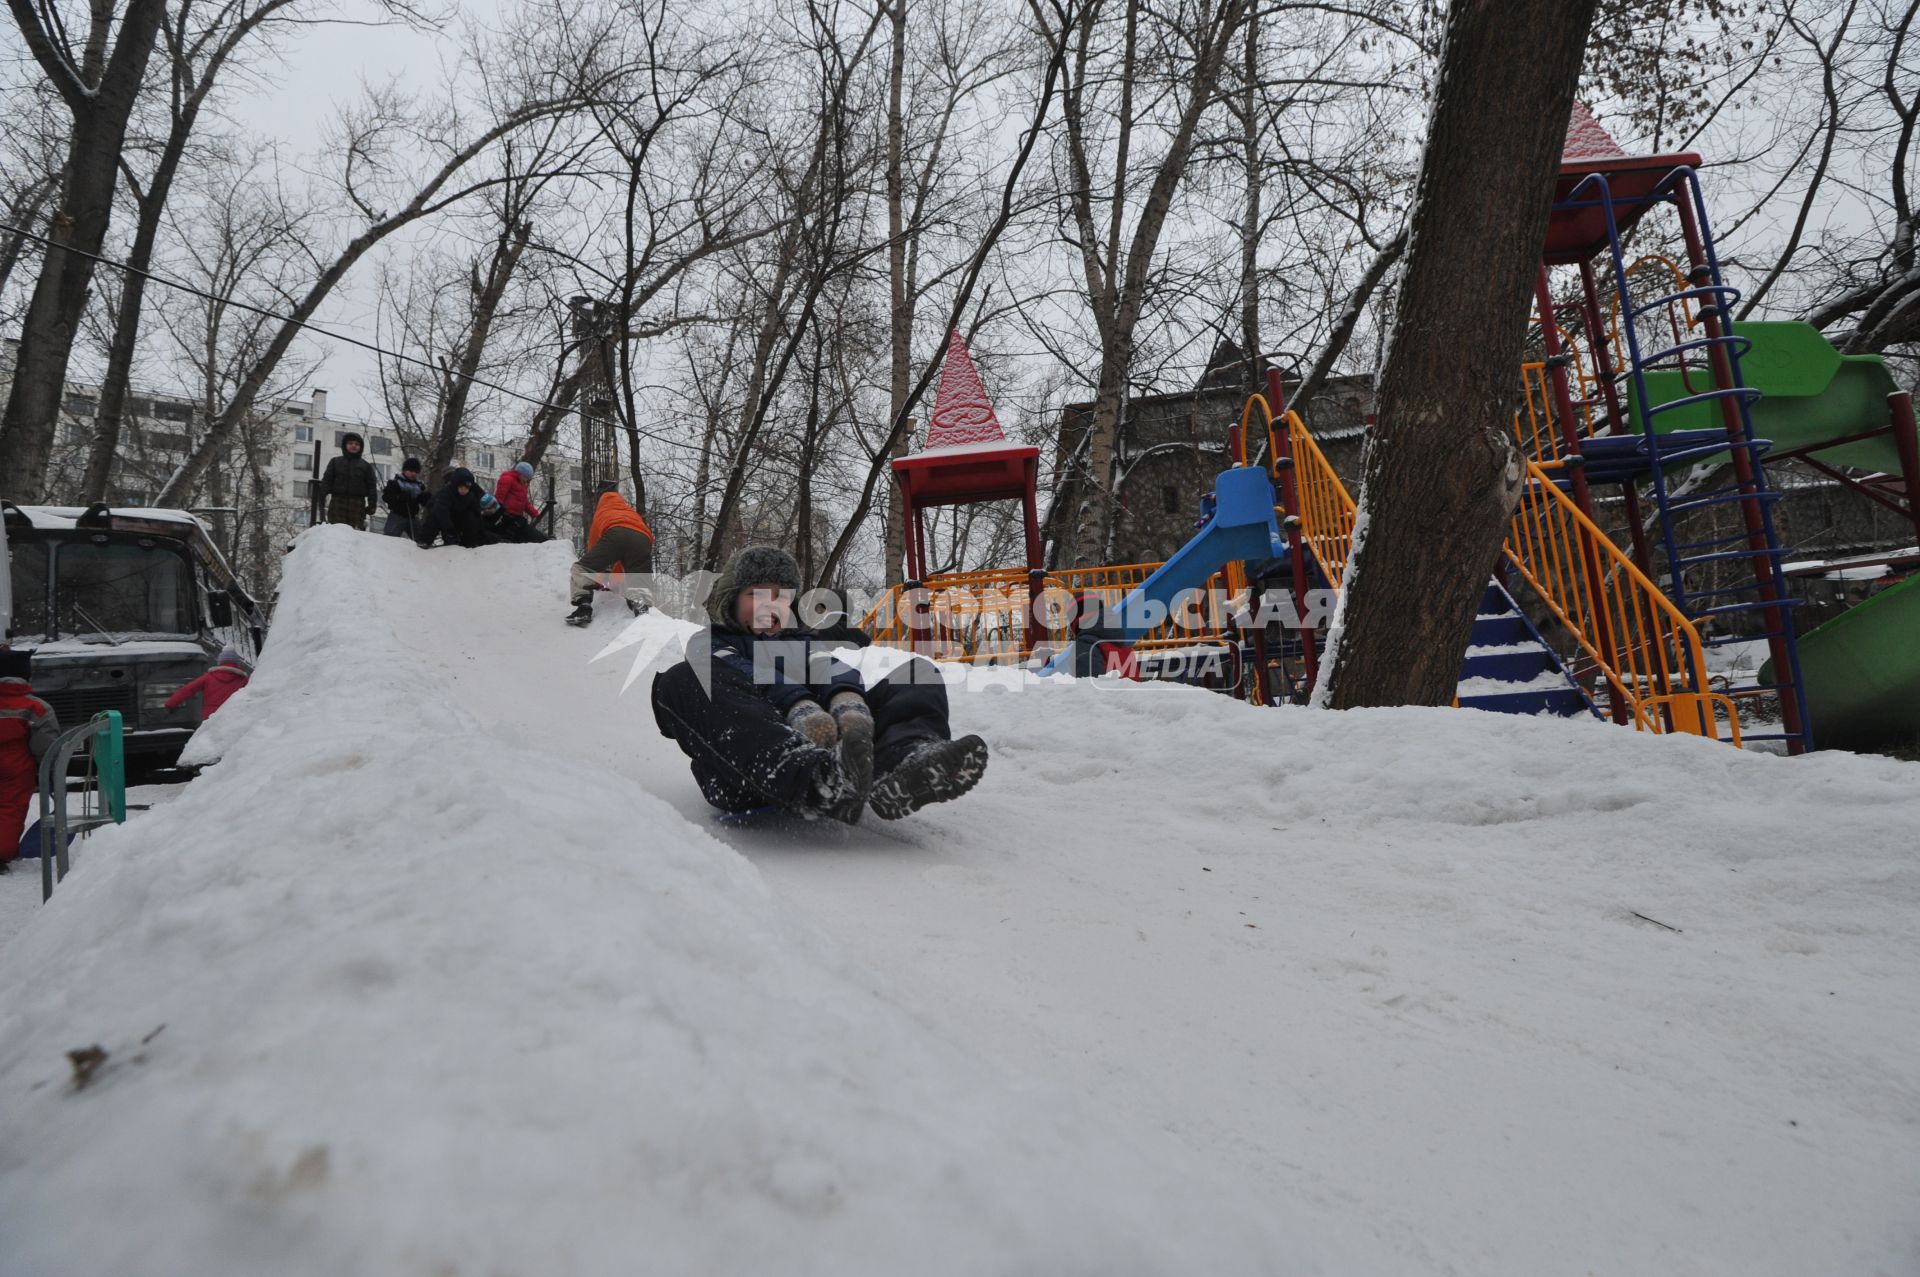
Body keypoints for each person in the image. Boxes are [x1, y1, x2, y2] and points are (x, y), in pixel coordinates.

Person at [651, 545, 988, 824]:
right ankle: (818, 780)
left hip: (840, 752)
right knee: (685, 679)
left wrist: (846, 700)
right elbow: (747, 673)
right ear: (731, 600)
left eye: (781, 597)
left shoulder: (799, 641)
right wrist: (798, 704)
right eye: (757, 595)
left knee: (918, 672)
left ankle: (903, 764)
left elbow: (828, 666)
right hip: (752, 768)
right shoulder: (710, 642)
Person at [0, 648, 60, 867]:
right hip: (15, 765)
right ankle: (2, 852)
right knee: (10, 808)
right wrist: (48, 768)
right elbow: (45, 745)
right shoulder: (36, 706)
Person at [566, 484, 655, 625]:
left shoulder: (602, 512)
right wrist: (615, 582)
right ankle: (642, 610)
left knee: (582, 569)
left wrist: (597, 580)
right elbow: (622, 561)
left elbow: (594, 553)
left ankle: (584, 608)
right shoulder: (629, 511)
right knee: (637, 576)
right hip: (644, 538)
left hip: (615, 532)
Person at [416, 467, 497, 548]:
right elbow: (442, 511)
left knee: (472, 517)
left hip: (458, 518)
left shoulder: (470, 496)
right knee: (434, 517)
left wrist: (481, 529)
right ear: (455, 485)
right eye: (461, 488)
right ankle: (424, 540)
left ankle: (468, 543)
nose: (464, 491)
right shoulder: (445, 493)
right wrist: (449, 530)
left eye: (466, 488)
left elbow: (476, 512)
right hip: (444, 519)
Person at [164, 646, 250, 722]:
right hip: (234, 715)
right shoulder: (243, 679)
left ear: (220, 661)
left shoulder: (208, 677)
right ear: (237, 663)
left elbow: (187, 690)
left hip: (211, 717)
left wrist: (170, 704)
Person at [320, 431, 379, 530]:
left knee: (355, 532)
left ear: (361, 447)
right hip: (337, 502)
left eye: (357, 444)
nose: (353, 446)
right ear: (344, 445)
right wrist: (322, 495)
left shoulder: (366, 466)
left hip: (357, 504)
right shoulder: (335, 462)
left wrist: (372, 504)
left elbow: (371, 486)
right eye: (350, 443)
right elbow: (327, 480)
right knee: (335, 530)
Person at [381, 458, 431, 539]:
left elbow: (424, 502)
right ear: (404, 470)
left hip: (412, 517)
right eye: (411, 471)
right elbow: (385, 497)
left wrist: (426, 498)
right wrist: (399, 497)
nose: (413, 473)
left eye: (416, 472)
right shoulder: (395, 483)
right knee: (389, 539)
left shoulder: (419, 485)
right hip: (397, 515)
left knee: (421, 539)